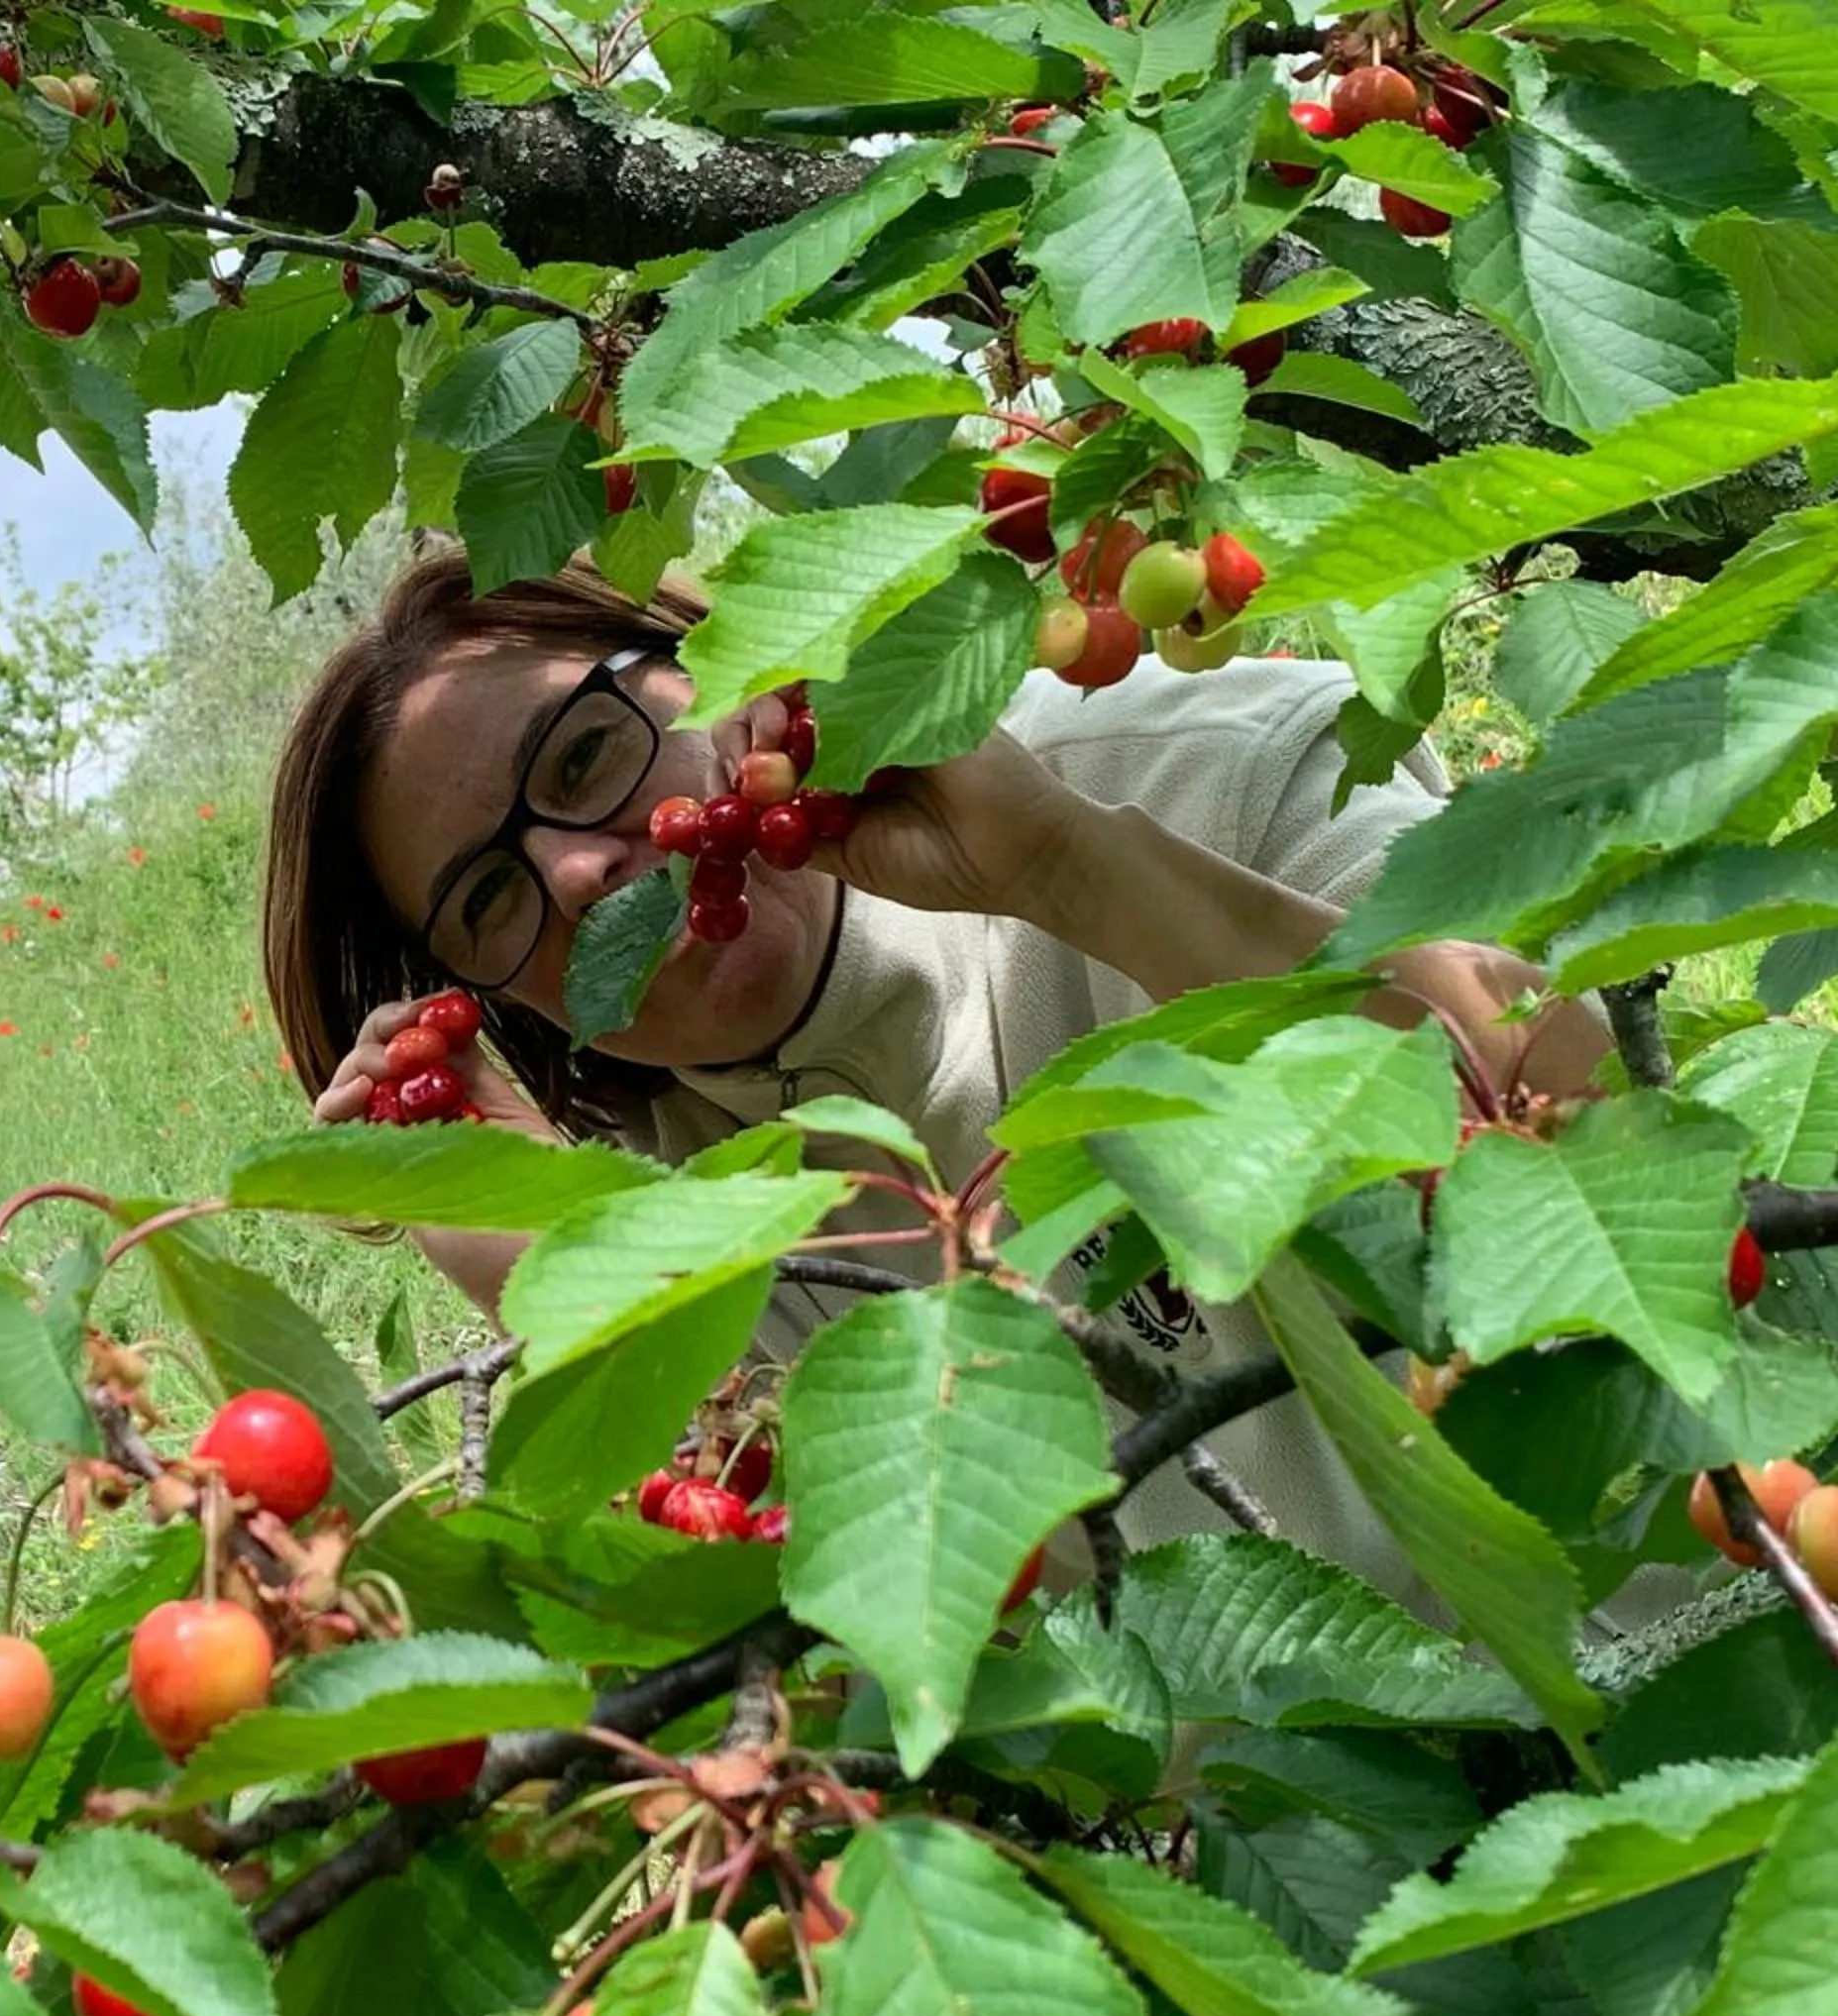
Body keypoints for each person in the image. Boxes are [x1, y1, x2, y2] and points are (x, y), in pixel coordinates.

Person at [261, 547, 1617, 1622]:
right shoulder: (703, 1209)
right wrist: (574, 1289)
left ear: (712, 669)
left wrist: (1064, 870)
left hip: (1689, 1636)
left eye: (585, 757)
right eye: (489, 899)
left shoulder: (1195, 770)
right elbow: (888, 1623)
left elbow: (1588, 1112)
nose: (573, 870)